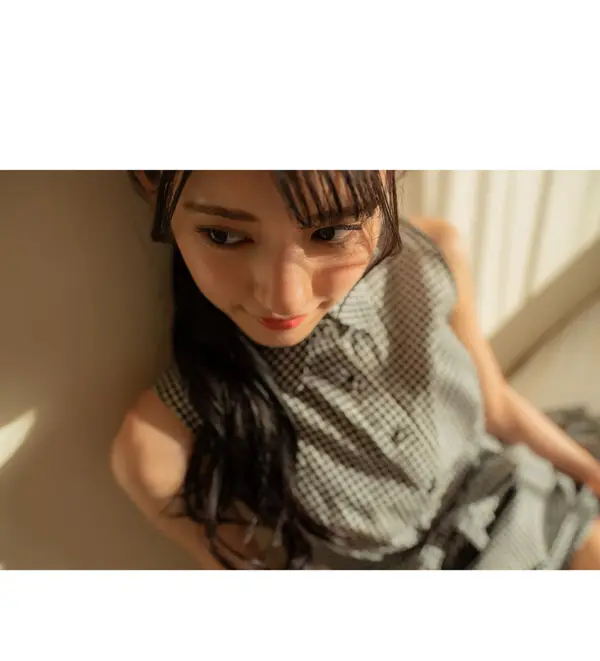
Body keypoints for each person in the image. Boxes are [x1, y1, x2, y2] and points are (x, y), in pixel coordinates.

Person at [111, 171, 600, 569]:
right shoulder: (161, 445)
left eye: (331, 232)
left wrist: (591, 475)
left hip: (536, 506)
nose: (286, 298)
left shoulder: (432, 255)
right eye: (223, 235)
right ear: (153, 185)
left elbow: (496, 409)